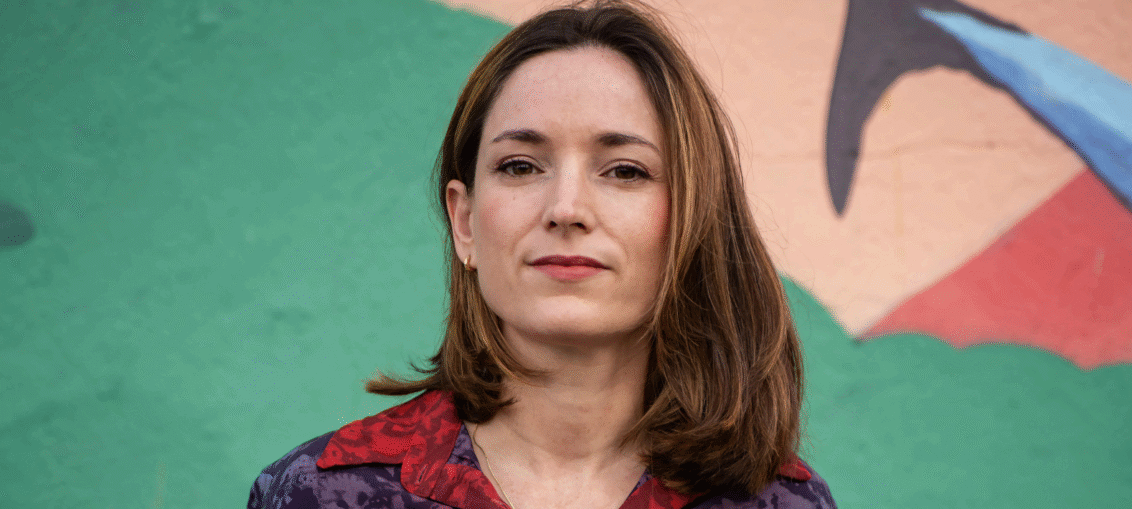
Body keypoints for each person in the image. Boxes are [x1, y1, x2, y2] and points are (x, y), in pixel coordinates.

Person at [247, 1, 837, 508]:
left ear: (691, 219)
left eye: (625, 171)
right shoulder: (315, 494)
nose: (566, 208)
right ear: (464, 221)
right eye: (521, 166)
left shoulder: (780, 503)